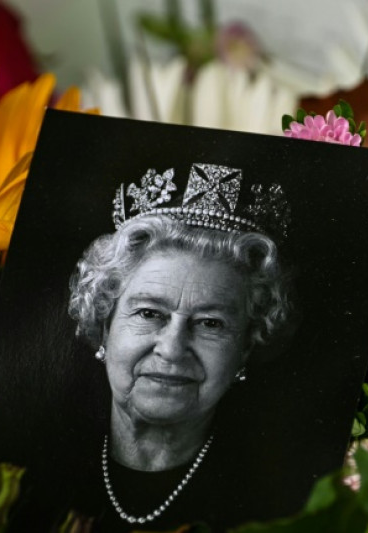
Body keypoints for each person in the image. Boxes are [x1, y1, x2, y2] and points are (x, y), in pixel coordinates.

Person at [63, 164, 294, 531]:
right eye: (150, 313)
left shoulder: (282, 503)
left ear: (246, 347)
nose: (171, 349)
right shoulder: (30, 469)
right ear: (104, 326)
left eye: (210, 323)